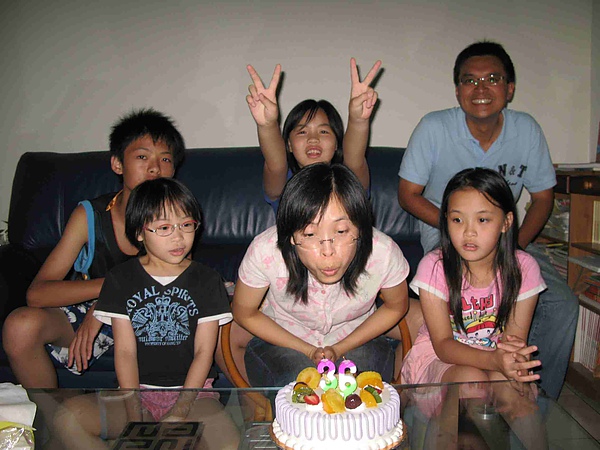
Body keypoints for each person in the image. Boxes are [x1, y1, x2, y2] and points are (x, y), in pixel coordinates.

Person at [397, 40, 578, 399]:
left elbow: (543, 198)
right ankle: (476, 367)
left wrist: (512, 245)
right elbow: (407, 195)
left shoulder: (526, 130)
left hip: (509, 235)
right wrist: (453, 226)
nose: (480, 88)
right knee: (459, 282)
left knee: (562, 304)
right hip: (443, 230)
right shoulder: (434, 127)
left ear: (509, 88)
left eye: (492, 78)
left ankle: (536, 395)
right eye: (470, 80)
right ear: (457, 90)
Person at [2, 108, 186, 388]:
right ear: (117, 164)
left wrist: (107, 304)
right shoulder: (90, 216)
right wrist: (107, 291)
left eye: (165, 159)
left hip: (151, 315)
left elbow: (175, 282)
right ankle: (52, 412)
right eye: (142, 157)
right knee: (20, 326)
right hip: (90, 309)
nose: (154, 168)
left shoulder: (179, 216)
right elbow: (37, 294)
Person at [52, 178, 238, 449]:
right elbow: (125, 353)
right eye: (164, 228)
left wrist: (180, 412)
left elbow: (203, 353)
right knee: (67, 418)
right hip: (135, 393)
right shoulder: (120, 279)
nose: (178, 237)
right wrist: (134, 419)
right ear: (140, 232)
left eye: (186, 225)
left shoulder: (208, 280)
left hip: (194, 394)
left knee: (228, 443)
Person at [401, 168, 547, 448]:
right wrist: (495, 362)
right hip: (440, 360)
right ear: (445, 220)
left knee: (511, 388)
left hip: (495, 357)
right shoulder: (435, 267)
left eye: (482, 219)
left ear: (506, 222)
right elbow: (443, 345)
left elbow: (513, 342)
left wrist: (509, 366)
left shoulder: (523, 268)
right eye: (457, 219)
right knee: (470, 380)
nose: (468, 231)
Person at [232, 163, 412, 386]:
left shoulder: (383, 252)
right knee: (301, 387)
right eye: (309, 234)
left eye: (341, 231)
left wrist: (341, 347)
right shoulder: (265, 250)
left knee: (359, 388)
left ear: (361, 226)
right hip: (283, 339)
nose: (328, 251)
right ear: (290, 234)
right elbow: (244, 312)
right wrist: (307, 350)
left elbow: (396, 306)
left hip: (357, 339)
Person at [245, 58, 381, 214]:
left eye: (323, 131)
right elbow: (276, 164)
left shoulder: (347, 181)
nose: (313, 139)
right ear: (289, 145)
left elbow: (355, 160)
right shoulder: (283, 184)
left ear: (337, 144)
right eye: (302, 132)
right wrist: (267, 125)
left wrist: (358, 121)